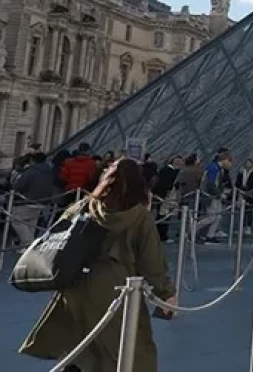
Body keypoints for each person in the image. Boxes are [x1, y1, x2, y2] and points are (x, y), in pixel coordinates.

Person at [20, 158, 176, 372]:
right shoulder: (139, 216)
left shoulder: (84, 205)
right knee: (128, 350)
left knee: (80, 348)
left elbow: (57, 237)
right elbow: (152, 261)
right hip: (118, 287)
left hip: (76, 284)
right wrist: (166, 293)